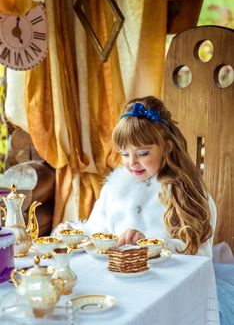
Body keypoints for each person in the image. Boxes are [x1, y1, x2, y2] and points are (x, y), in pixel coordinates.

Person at [53, 96, 216, 257]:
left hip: (164, 279)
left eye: (142, 153)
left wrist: (149, 246)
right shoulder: (115, 186)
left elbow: (198, 252)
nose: (132, 163)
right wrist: (73, 232)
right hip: (120, 273)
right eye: (125, 154)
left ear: (167, 147)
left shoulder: (184, 190)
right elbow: (97, 229)